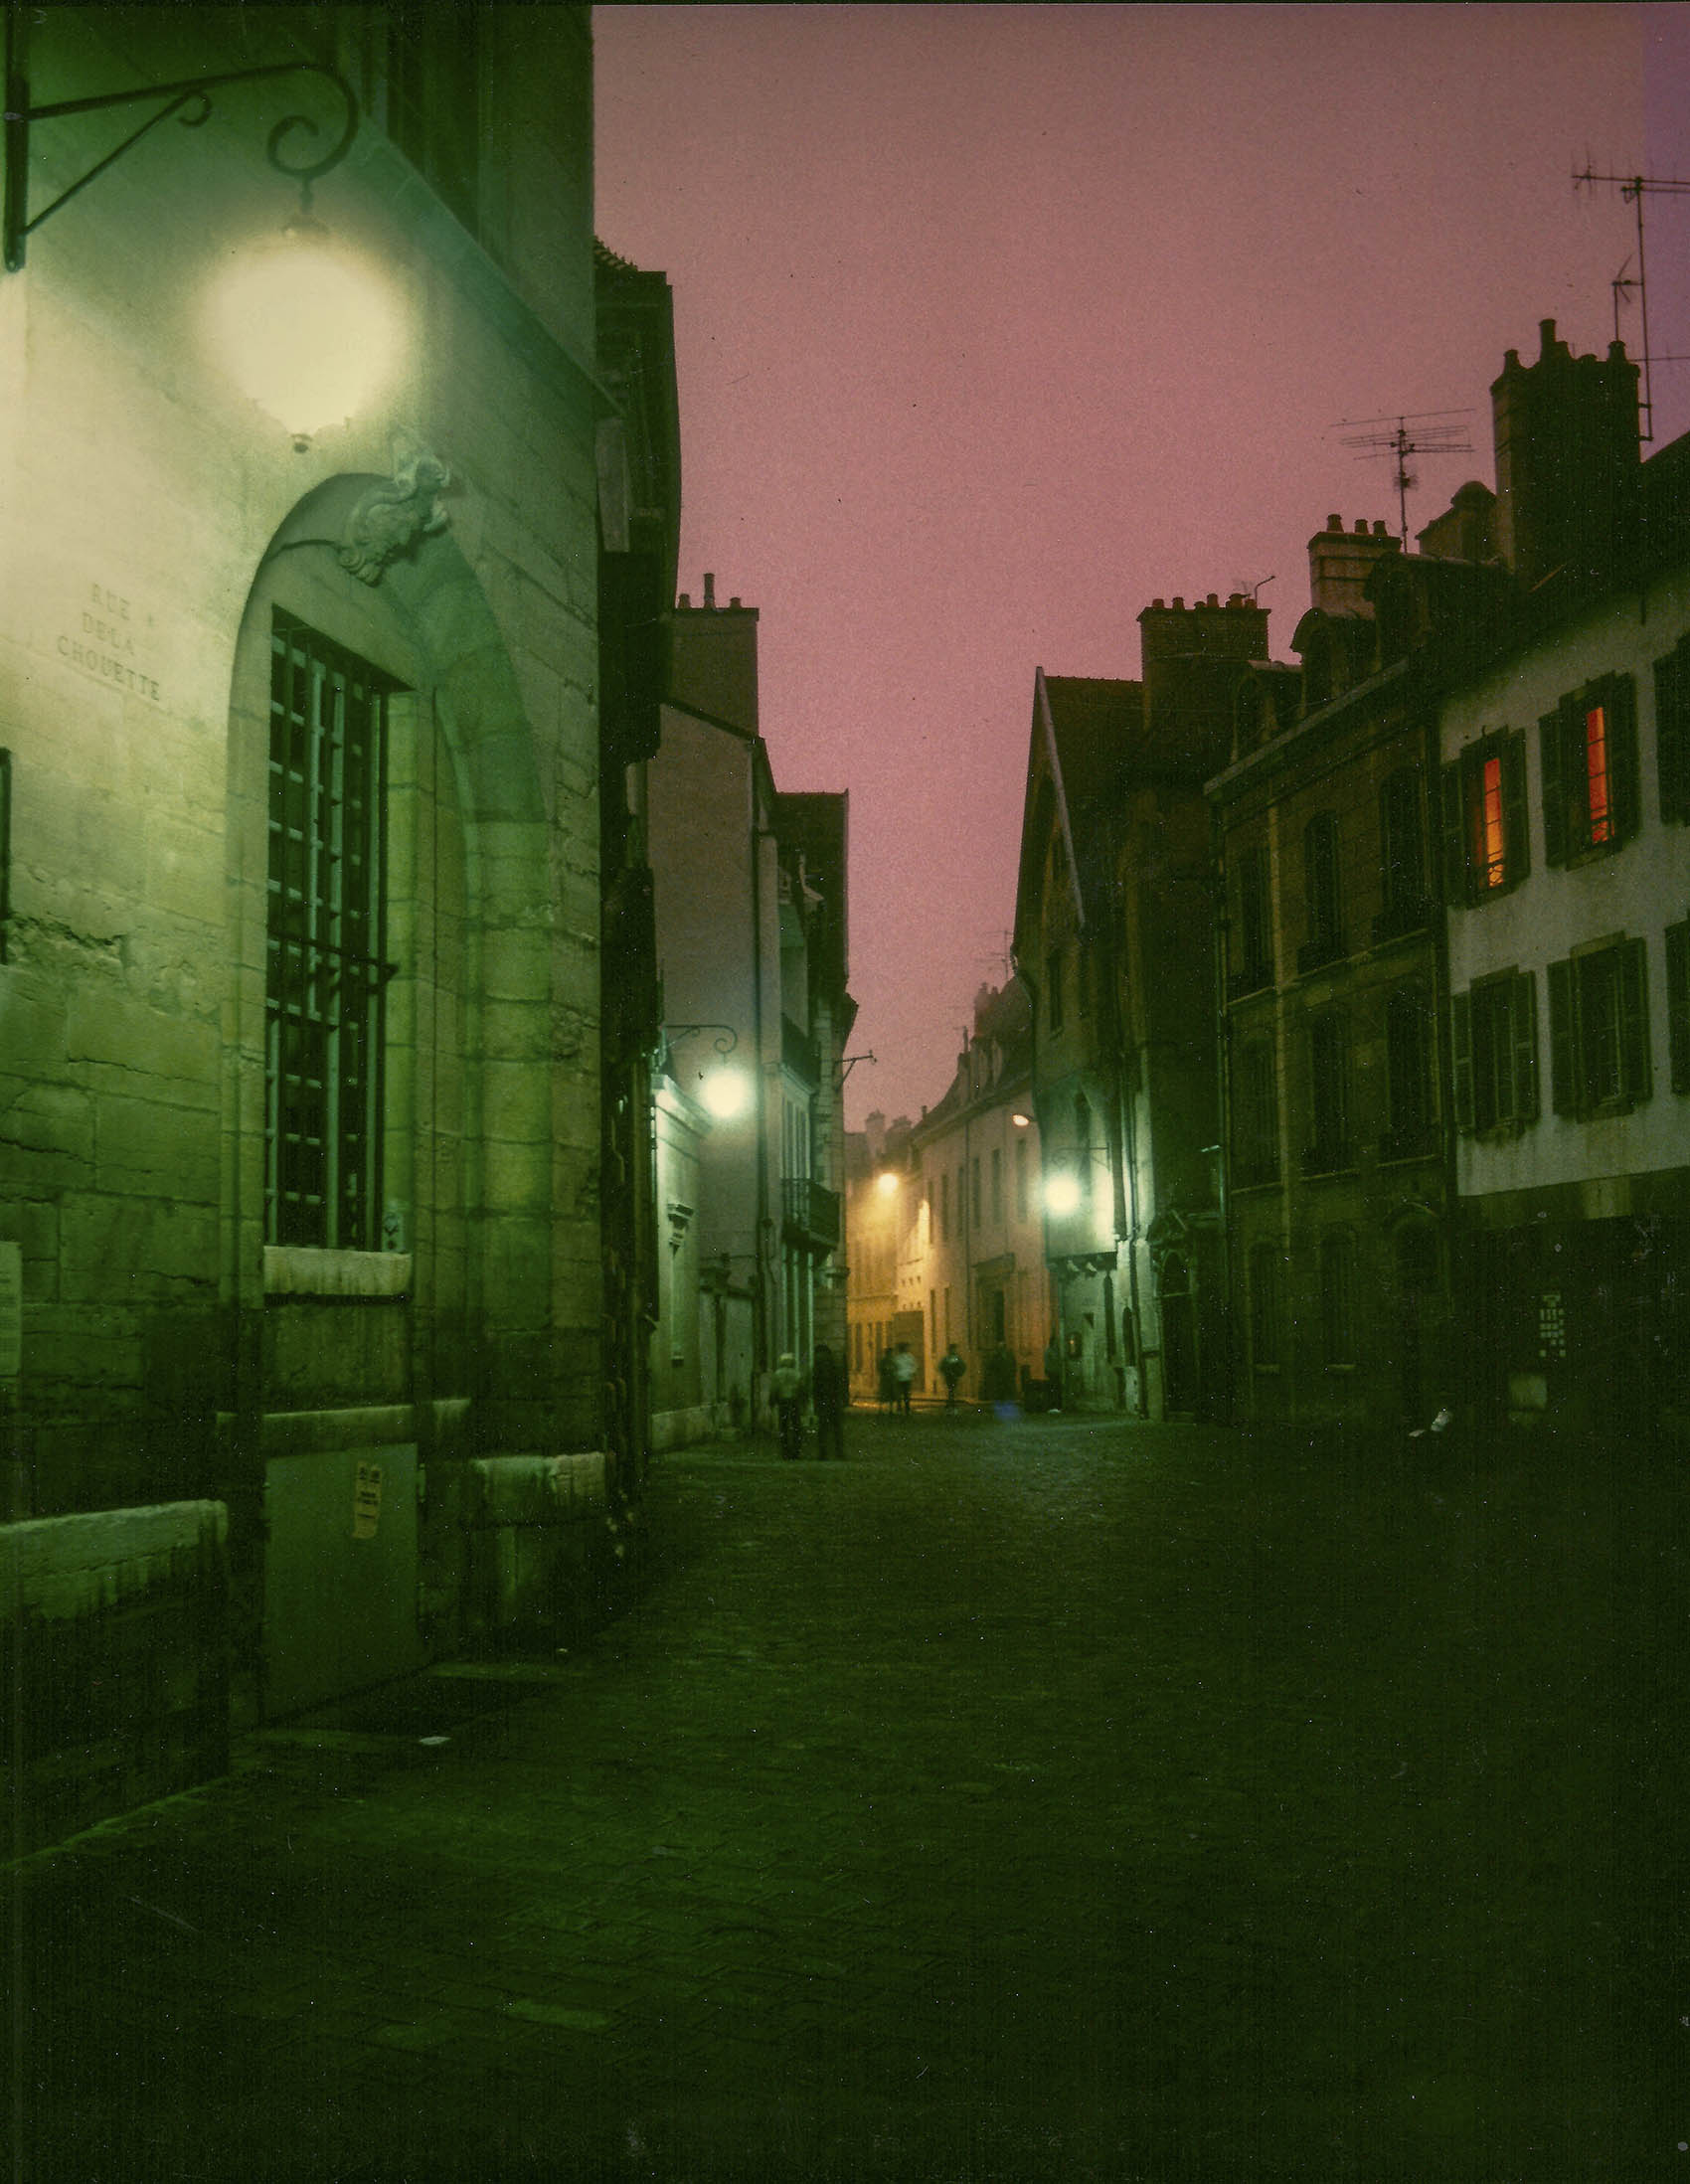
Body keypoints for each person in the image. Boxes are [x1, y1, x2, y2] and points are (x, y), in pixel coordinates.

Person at [811, 1342, 845, 1460]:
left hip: (823, 1400)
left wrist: (815, 1401)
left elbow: (815, 1385)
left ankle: (823, 1453)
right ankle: (839, 1453)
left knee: (823, 1429)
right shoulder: (834, 1364)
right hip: (834, 1399)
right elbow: (840, 1382)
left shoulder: (817, 1364)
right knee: (837, 1428)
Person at [771, 1351, 804, 1460]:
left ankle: (785, 1451)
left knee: (783, 1427)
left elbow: (774, 1389)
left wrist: (773, 1400)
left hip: (783, 1402)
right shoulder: (797, 1374)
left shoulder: (778, 1373)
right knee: (796, 1427)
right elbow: (801, 1388)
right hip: (794, 1401)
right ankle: (796, 1451)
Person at [891, 1341, 917, 1416]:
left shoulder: (897, 1358)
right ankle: (906, 1409)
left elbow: (894, 1367)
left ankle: (900, 1409)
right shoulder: (909, 1357)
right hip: (906, 1378)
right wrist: (912, 1373)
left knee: (900, 1394)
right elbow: (914, 1366)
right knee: (906, 1394)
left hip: (900, 1378)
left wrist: (895, 1375)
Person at [938, 1342, 966, 1409]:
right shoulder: (951, 1358)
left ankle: (951, 1402)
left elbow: (962, 1366)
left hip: (953, 1376)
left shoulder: (953, 1358)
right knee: (951, 1389)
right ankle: (951, 1402)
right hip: (950, 1376)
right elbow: (942, 1366)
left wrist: (959, 1373)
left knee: (951, 1389)